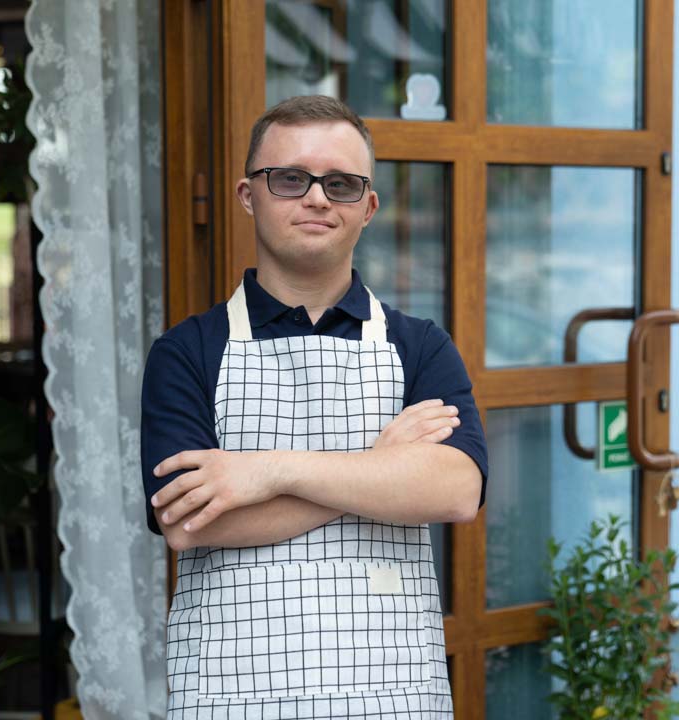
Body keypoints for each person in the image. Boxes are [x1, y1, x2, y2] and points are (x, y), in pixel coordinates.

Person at [140, 95, 488, 719]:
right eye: (291, 179)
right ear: (249, 195)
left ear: (368, 207)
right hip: (230, 685)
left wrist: (267, 472)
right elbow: (190, 523)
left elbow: (457, 490)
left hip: (392, 683)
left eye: (342, 184)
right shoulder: (187, 352)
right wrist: (380, 467)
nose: (318, 198)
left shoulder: (420, 346)